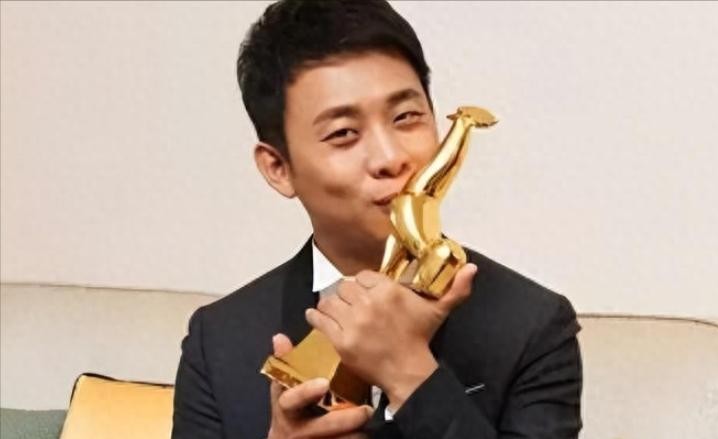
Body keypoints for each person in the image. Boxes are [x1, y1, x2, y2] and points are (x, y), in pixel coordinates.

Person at [172, 1, 582, 438]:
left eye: (406, 117)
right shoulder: (219, 340)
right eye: (344, 134)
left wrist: (409, 374)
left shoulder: (531, 326)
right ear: (278, 168)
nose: (390, 158)